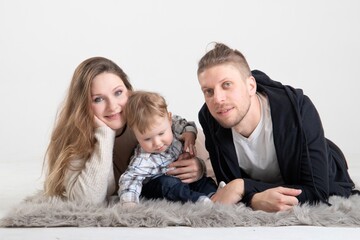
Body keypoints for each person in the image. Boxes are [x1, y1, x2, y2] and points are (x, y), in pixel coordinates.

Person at [196, 42, 359, 212]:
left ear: (251, 86)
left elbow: (317, 192)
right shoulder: (209, 117)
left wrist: (243, 186)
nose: (218, 99)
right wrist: (253, 197)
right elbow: (228, 189)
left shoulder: (298, 108)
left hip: (326, 171)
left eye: (226, 85)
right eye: (208, 91)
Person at [43, 57, 207, 204]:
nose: (113, 106)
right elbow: (86, 202)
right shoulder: (78, 137)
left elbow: (189, 141)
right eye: (98, 99)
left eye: (118, 93)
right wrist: (104, 136)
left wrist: (198, 167)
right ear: (83, 105)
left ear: (129, 91)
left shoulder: (143, 121)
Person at [118, 91, 218, 207]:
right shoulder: (143, 159)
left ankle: (214, 195)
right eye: (147, 139)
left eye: (161, 133)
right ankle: (196, 201)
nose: (157, 143)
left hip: (183, 179)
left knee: (204, 181)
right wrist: (129, 203)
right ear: (136, 135)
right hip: (158, 186)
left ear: (169, 120)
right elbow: (130, 179)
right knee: (168, 184)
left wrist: (190, 133)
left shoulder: (175, 126)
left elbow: (186, 124)